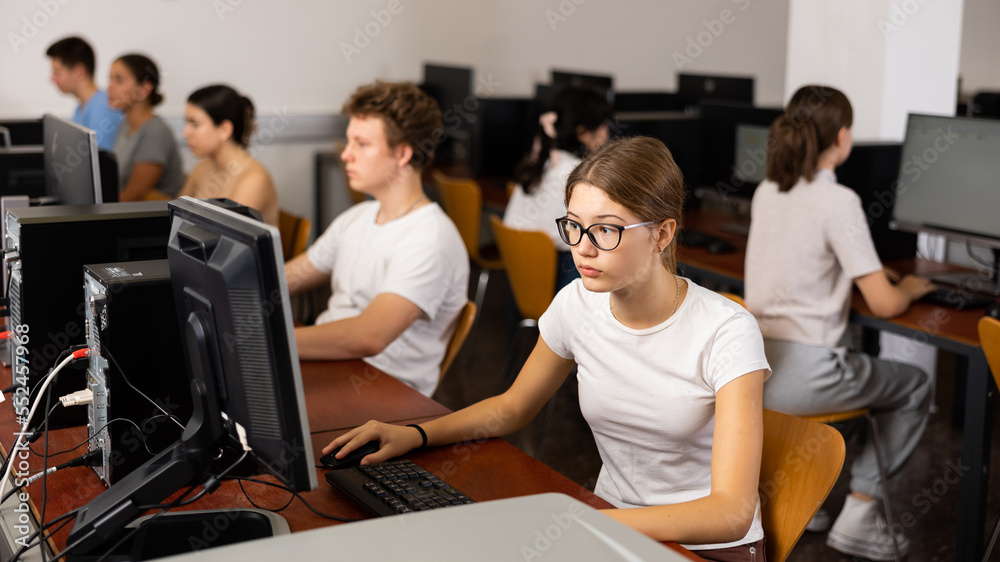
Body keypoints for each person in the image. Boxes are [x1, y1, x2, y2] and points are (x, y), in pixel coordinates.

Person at [325, 136, 771, 559]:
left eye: (606, 231)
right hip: (611, 525)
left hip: (703, 547)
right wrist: (417, 433)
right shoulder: (577, 304)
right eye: (574, 227)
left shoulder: (726, 330)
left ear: (662, 234)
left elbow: (729, 514)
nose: (582, 248)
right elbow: (514, 407)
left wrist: (590, 523)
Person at [743, 85, 934, 561]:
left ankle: (815, 499)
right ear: (843, 138)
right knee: (913, 385)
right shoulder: (839, 201)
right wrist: (907, 288)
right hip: (807, 374)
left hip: (753, 365)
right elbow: (886, 304)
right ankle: (861, 512)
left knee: (857, 379)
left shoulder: (768, 190)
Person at [284, 81, 468, 398]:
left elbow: (369, 336)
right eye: (348, 142)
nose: (345, 154)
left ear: (403, 153)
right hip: (336, 367)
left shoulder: (429, 238)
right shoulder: (358, 217)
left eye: (361, 144)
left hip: (383, 394)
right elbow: (286, 279)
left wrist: (271, 342)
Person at [504, 86, 613, 290]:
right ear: (582, 132)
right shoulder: (581, 175)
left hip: (522, 277)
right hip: (556, 277)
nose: (606, 134)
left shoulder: (536, 163)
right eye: (603, 125)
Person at [179, 85, 279, 227]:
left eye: (194, 124)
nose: (185, 133)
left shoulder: (254, 179)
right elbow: (176, 218)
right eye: (186, 123)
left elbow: (227, 241)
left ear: (225, 129)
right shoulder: (201, 168)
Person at [108, 53, 185, 201]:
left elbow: (133, 197)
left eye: (118, 80)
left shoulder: (155, 133)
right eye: (110, 79)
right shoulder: (125, 125)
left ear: (144, 90)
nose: (110, 87)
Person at [46, 37, 123, 151]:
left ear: (79, 71)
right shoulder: (81, 108)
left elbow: (100, 163)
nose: (52, 79)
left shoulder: (102, 108)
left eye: (57, 72)